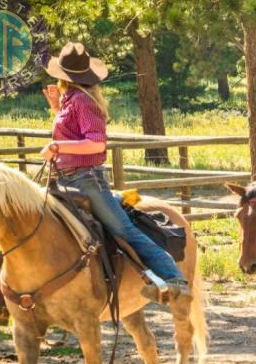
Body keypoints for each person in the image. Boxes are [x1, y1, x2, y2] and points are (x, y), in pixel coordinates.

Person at [39, 42, 190, 303]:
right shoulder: (71, 100)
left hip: (84, 180)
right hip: (65, 179)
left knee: (124, 230)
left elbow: (96, 143)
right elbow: (74, 133)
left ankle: (174, 279)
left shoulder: (83, 103)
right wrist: (55, 107)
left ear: (62, 75)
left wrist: (57, 145)